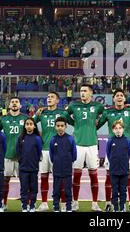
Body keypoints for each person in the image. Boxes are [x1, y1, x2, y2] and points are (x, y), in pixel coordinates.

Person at [97, 89, 130, 212]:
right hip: (112, 146)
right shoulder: (108, 112)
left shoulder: (129, 111)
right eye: (117, 95)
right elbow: (97, 125)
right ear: (114, 98)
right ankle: (108, 203)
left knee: (129, 176)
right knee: (109, 177)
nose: (119, 97)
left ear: (125, 99)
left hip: (127, 146)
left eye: (122, 95)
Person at [66, 84, 104, 212]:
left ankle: (95, 204)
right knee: (76, 175)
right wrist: (75, 124)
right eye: (81, 90)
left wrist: (95, 127)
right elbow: (65, 116)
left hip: (92, 145)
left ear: (91, 93)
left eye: (85, 91)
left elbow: (106, 116)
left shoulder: (97, 106)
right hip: (77, 144)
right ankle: (75, 203)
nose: (82, 93)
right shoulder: (73, 105)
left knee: (94, 175)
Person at [33, 91, 72, 212]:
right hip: (44, 149)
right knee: (44, 177)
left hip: (59, 151)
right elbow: (29, 124)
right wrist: (36, 113)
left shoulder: (62, 113)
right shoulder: (41, 112)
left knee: (60, 179)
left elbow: (74, 122)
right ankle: (44, 203)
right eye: (48, 97)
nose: (49, 99)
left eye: (52, 97)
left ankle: (64, 203)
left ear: (57, 100)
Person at [0, 97, 28, 211]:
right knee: (5, 180)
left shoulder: (25, 118)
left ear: (20, 105)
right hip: (7, 154)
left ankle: (25, 203)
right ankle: (4, 203)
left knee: (24, 180)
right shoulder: (3, 119)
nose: (14, 104)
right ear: (9, 105)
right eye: (12, 102)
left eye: (16, 102)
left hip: (22, 156)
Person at [49, 117, 77, 212]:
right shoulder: (53, 140)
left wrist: (68, 162)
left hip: (67, 169)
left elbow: (74, 154)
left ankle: (69, 207)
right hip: (56, 169)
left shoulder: (70, 139)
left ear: (66, 126)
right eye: (58, 126)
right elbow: (51, 155)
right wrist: (57, 161)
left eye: (62, 126)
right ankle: (56, 207)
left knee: (68, 190)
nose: (60, 128)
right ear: (55, 127)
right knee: (56, 190)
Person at [16, 118, 43, 212]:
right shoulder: (20, 138)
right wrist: (21, 161)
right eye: (27, 124)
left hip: (33, 168)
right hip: (23, 168)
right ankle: (24, 205)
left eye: (31, 124)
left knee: (33, 188)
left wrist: (35, 163)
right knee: (23, 188)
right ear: (24, 126)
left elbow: (39, 152)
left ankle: (32, 205)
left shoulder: (37, 138)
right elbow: (18, 151)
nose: (29, 125)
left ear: (34, 126)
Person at [106, 120, 130, 212]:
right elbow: (108, 154)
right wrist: (114, 163)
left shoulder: (127, 141)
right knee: (115, 190)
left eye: (120, 128)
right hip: (113, 170)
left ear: (123, 129)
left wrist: (123, 163)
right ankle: (115, 208)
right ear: (113, 130)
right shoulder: (110, 141)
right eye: (116, 128)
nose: (118, 130)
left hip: (124, 170)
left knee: (123, 190)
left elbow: (128, 154)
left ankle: (122, 207)